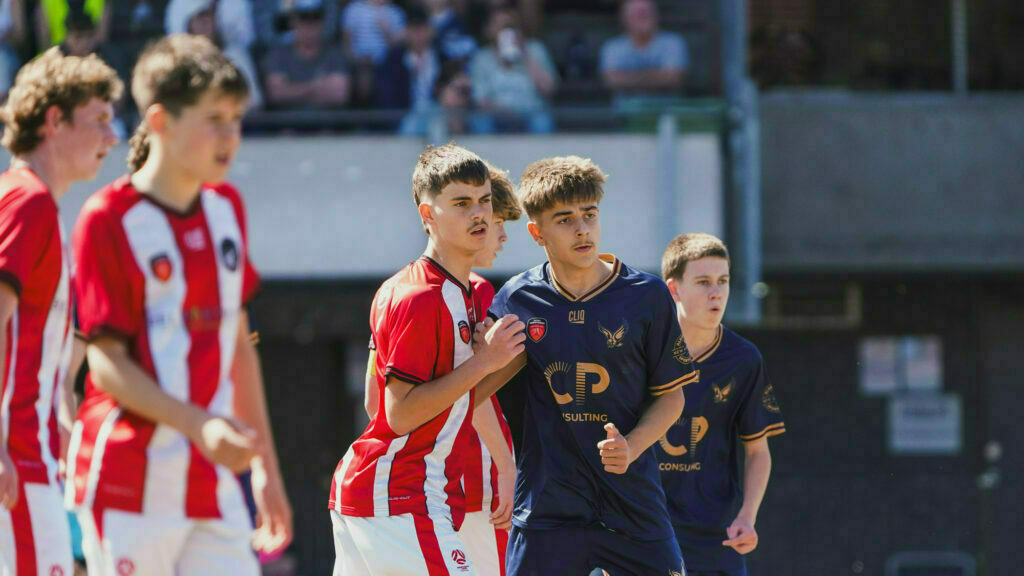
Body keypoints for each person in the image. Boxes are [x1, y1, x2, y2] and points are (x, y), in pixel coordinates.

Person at [66, 34, 293, 575]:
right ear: (161, 120)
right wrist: (199, 425)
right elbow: (105, 363)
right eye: (214, 118)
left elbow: (240, 345)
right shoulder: (107, 218)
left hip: (212, 484)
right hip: (127, 483)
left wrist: (267, 471)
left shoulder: (227, 208)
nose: (229, 135)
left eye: (236, 118)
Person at [480, 156, 696, 576]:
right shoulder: (516, 299)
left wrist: (631, 446)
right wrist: (505, 463)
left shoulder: (647, 296)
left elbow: (672, 398)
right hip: (546, 511)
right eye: (564, 219)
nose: (582, 229)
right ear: (536, 232)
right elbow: (478, 394)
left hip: (634, 509)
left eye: (590, 215)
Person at [329, 144, 525, 576]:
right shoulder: (419, 297)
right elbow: (395, 415)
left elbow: (373, 402)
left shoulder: (460, 292)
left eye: (484, 202)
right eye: (461, 203)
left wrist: (489, 365)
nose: (479, 214)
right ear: (427, 214)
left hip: (387, 493)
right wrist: (485, 362)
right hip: (398, 495)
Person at [0, 46, 121, 576]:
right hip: (16, 461)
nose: (111, 138)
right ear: (54, 121)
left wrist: (63, 423)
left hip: (32, 455)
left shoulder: (30, 201)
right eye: (99, 120)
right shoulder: (27, 201)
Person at [657, 233, 786, 576]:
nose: (716, 292)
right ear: (674, 288)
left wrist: (747, 516)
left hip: (716, 537)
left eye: (723, 281)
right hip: (647, 531)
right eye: (703, 282)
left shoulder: (743, 359)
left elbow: (758, 451)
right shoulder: (644, 351)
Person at [468, 7, 556, 133]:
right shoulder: (482, 58)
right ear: (488, 31)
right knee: (480, 121)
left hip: (531, 112)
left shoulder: (535, 49)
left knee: (542, 121)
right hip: (496, 114)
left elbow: (549, 89)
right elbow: (480, 100)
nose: (505, 30)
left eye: (509, 26)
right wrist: (501, 111)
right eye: (500, 26)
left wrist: (524, 53)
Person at [263, 0, 350, 109]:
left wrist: (292, 90)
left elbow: (339, 95)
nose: (309, 26)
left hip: (326, 123)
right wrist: (315, 86)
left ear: (323, 22)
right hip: (288, 123)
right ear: (293, 22)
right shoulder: (279, 54)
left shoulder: (334, 54)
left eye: (315, 18)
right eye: (303, 19)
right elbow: (276, 94)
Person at [599, 0, 687, 107]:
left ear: (656, 16)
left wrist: (627, 78)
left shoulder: (673, 42)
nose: (643, 18)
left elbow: (673, 78)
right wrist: (658, 76)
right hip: (625, 115)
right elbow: (611, 81)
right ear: (624, 19)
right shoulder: (612, 47)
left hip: (667, 114)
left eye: (646, 13)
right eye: (638, 14)